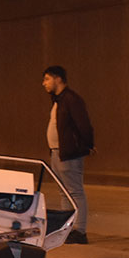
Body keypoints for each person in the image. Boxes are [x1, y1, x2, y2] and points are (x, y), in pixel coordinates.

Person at [42, 65, 94, 244]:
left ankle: (80, 230)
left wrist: (87, 145)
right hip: (57, 153)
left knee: (74, 191)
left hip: (69, 154)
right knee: (64, 193)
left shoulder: (71, 99)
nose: (44, 83)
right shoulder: (59, 100)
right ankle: (68, 228)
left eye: (47, 79)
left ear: (58, 79)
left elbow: (84, 124)